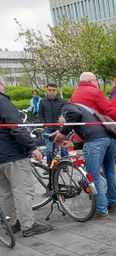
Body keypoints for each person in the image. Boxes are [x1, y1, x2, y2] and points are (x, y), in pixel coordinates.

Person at [56, 72, 116, 219]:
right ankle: (113, 203)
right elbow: (109, 111)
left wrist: (62, 132)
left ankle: (101, 210)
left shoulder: (71, 102)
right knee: (110, 171)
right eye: (96, 80)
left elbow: (76, 119)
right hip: (110, 137)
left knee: (93, 175)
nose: (97, 83)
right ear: (91, 81)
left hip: (94, 140)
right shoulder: (92, 92)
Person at [0, 76, 52, 237]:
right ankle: (28, 225)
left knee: (5, 192)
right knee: (22, 190)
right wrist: (33, 147)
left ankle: (11, 223)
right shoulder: (2, 102)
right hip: (12, 155)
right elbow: (16, 127)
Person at [38, 82, 66, 165]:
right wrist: (44, 124)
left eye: (53, 90)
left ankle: (65, 165)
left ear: (56, 90)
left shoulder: (62, 101)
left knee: (64, 149)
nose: (51, 92)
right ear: (47, 90)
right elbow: (40, 114)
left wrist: (62, 122)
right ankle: (50, 167)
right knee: (49, 150)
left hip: (60, 129)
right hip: (48, 129)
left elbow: (65, 114)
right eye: (49, 90)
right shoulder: (43, 101)